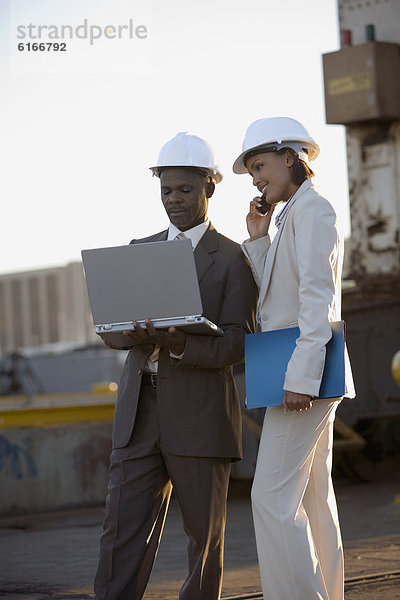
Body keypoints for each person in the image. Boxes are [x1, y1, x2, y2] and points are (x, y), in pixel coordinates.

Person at [94, 131, 258, 600]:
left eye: (185, 189)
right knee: (120, 530)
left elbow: (239, 342)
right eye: (166, 190)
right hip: (139, 413)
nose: (174, 199)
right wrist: (134, 332)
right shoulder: (138, 247)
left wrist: (181, 343)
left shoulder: (232, 260)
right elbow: (110, 330)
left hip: (200, 414)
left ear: (210, 187)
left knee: (203, 539)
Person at [233, 117, 355, 600]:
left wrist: (301, 377)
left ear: (290, 157)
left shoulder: (314, 211)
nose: (256, 178)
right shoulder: (291, 215)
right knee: (311, 497)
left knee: (270, 498)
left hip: (303, 373)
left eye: (259, 165)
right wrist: (259, 239)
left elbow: (316, 302)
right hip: (305, 368)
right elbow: (276, 301)